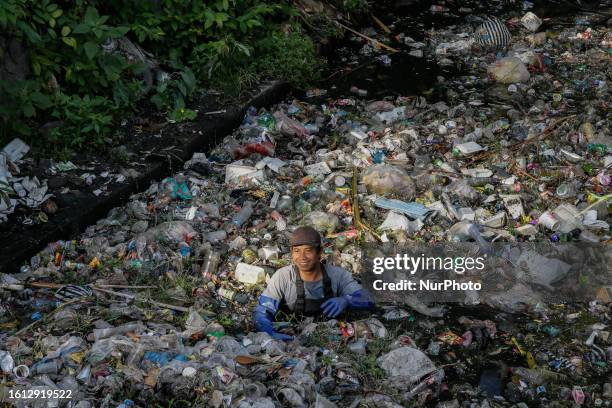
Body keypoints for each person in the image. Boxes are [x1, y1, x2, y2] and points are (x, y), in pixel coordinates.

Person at [253, 226, 374, 341]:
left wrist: (347, 300)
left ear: (319, 252)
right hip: (295, 337)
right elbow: (262, 310)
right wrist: (269, 332)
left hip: (330, 336)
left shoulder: (338, 275)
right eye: (297, 251)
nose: (302, 257)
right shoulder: (283, 276)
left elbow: (369, 298)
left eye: (308, 251)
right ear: (291, 252)